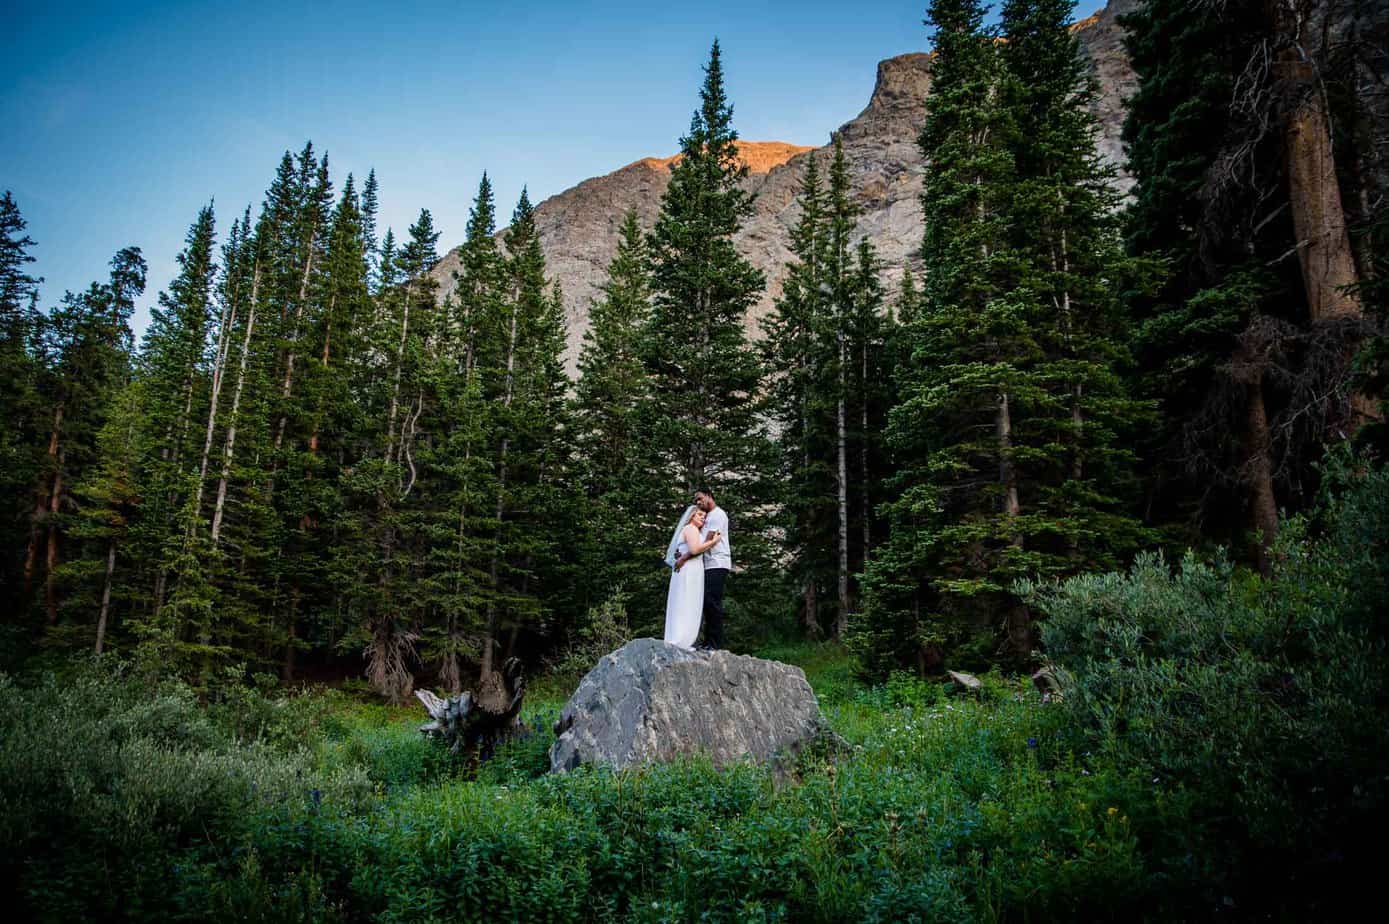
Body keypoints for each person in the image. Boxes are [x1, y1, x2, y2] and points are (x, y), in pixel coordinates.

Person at [675, 488, 730, 651]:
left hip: (717, 562)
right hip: (706, 565)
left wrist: (684, 558)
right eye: (696, 501)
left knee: (712, 602)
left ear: (709, 496)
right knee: (706, 602)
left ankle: (714, 643)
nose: (698, 502)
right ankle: (707, 641)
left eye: (700, 498)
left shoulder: (718, 515)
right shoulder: (707, 516)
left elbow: (705, 543)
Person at [662, 506, 722, 649]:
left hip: (692, 569)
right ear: (691, 516)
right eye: (699, 515)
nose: (703, 517)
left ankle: (682, 638)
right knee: (686, 601)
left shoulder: (695, 530)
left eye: (704, 516)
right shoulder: (690, 529)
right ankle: (681, 640)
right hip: (689, 571)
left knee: (688, 601)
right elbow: (695, 550)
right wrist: (714, 542)